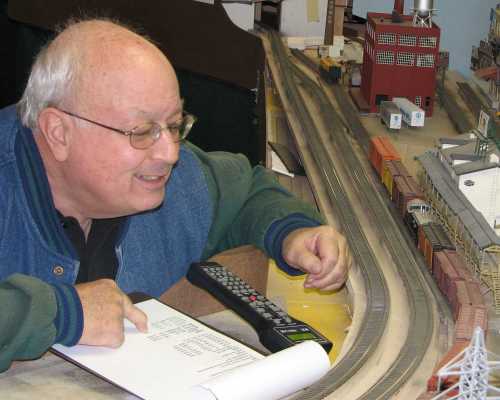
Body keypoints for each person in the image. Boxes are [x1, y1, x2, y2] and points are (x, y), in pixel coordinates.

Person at [0, 18, 351, 372]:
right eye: (141, 131)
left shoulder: (176, 180)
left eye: (173, 126)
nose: (169, 153)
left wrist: (292, 231)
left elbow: (246, 191)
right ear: (59, 132)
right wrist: (61, 313)